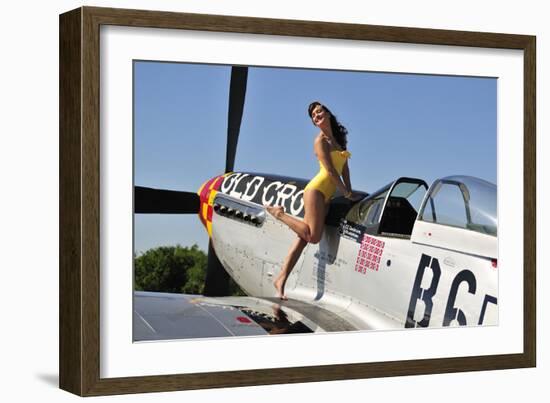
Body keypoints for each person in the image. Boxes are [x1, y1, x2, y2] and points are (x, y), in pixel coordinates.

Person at [265, 101, 354, 300]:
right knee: (313, 237)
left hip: (328, 194)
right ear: (314, 123)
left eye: (319, 111)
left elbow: (344, 168)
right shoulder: (319, 141)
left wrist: (349, 189)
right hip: (316, 190)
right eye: (313, 115)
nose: (316, 115)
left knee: (303, 238)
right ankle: (278, 213)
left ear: (328, 113)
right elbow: (331, 171)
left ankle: (281, 278)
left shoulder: (339, 139)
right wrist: (345, 192)